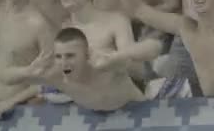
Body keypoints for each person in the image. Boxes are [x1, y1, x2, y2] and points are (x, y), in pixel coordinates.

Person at [18, 27, 154, 111]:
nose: (64, 62)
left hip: (136, 111)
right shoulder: (64, 74)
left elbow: (147, 51)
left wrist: (122, 55)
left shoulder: (105, 65)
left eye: (70, 55)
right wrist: (10, 101)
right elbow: (41, 86)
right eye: (59, 56)